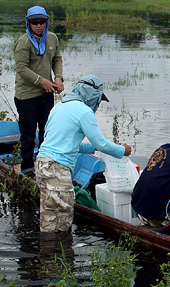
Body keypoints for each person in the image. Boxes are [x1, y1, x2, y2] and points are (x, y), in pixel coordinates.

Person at [36, 75, 132, 233]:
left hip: (43, 164)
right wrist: (123, 150)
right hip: (57, 169)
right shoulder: (84, 111)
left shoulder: (60, 106)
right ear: (92, 95)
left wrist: (91, 149)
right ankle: (61, 254)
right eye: (98, 100)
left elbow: (63, 143)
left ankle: (47, 254)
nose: (98, 104)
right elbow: (100, 143)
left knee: (49, 217)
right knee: (62, 220)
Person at [14, 5, 64, 175]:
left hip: (46, 94)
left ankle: (45, 164)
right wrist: (42, 81)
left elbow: (57, 59)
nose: (38, 25)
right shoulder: (23, 43)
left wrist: (58, 77)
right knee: (28, 136)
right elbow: (21, 68)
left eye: (42, 22)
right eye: (34, 22)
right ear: (28, 23)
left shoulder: (53, 39)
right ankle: (27, 168)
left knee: (47, 132)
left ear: (46, 22)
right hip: (27, 96)